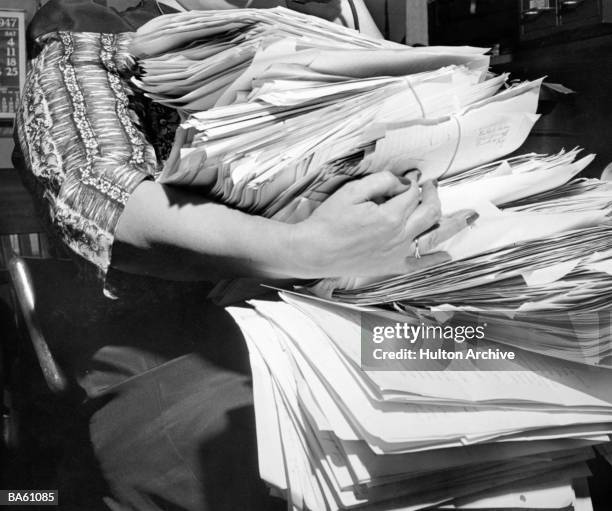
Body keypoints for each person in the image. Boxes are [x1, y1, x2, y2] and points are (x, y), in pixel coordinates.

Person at [13, 1, 476, 509]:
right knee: (279, 451)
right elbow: (97, 193)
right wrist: (305, 249)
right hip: (173, 346)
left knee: (491, 395)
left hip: (339, 311)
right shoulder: (95, 39)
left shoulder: (318, 28)